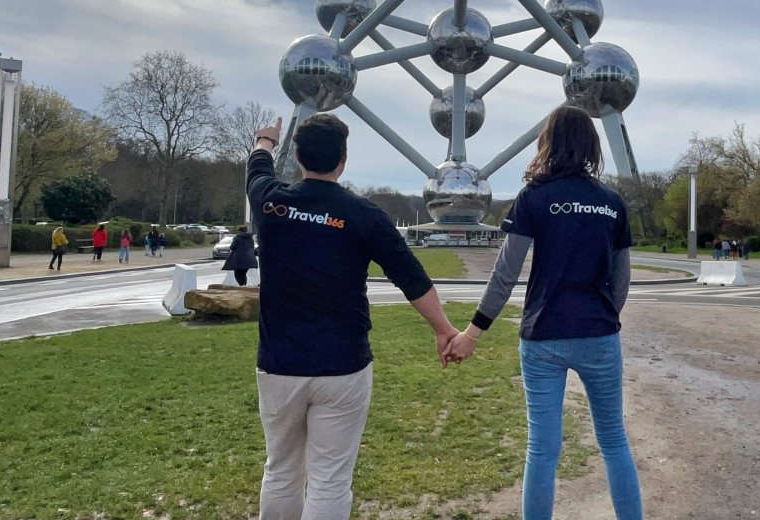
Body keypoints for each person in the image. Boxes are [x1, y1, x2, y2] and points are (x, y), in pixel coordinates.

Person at [248, 113, 460, 519]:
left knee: (280, 469)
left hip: (279, 364)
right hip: (342, 366)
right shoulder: (363, 215)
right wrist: (444, 330)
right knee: (329, 478)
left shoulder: (271, 203)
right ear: (343, 159)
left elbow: (256, 168)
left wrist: (264, 140)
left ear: (297, 155)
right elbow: (412, 279)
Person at [447, 106, 641, 520]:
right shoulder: (612, 202)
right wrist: (603, 316)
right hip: (599, 335)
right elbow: (621, 280)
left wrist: (472, 332)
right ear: (591, 144)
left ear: (547, 143)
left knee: (542, 450)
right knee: (613, 441)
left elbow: (505, 274)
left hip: (544, 335)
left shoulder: (534, 197)